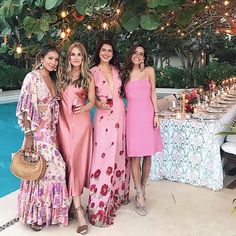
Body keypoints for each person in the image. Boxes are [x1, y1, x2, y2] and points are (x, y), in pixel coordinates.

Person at [16, 44, 69, 231]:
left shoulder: (53, 79)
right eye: (50, 58)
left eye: (56, 59)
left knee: (52, 172)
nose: (53, 63)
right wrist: (29, 135)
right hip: (38, 134)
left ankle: (49, 213)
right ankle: (34, 216)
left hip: (51, 133)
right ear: (41, 58)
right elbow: (24, 108)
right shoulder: (32, 78)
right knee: (39, 173)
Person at [88, 39, 130, 227]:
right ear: (98, 52)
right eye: (103, 50)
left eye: (109, 50)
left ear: (113, 53)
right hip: (104, 116)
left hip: (121, 114)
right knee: (102, 158)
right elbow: (90, 98)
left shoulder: (117, 70)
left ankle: (115, 198)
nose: (106, 53)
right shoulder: (92, 72)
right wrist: (98, 103)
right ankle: (99, 206)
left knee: (119, 155)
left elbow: (122, 93)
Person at [57, 42, 95, 234]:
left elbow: (93, 101)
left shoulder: (87, 77)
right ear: (69, 57)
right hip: (62, 125)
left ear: (83, 57)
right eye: (73, 54)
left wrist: (84, 107)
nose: (76, 58)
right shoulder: (61, 76)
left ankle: (79, 209)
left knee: (76, 163)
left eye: (79, 54)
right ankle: (73, 203)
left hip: (80, 125)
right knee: (68, 163)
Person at [122, 43, 163, 216]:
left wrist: (156, 114)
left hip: (147, 115)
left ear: (144, 56)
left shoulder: (149, 71)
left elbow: (153, 92)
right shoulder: (124, 75)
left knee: (147, 154)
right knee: (134, 157)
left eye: (141, 53)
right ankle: (138, 192)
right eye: (136, 53)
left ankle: (143, 188)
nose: (138, 56)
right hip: (131, 117)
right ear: (131, 54)